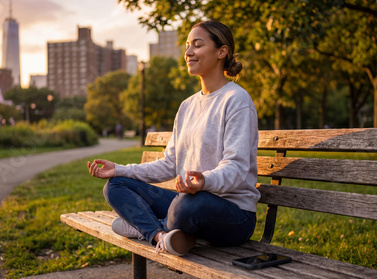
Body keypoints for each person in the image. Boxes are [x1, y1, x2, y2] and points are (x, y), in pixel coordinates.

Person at [87, 20, 260, 256]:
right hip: (189, 203)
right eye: (188, 46)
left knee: (186, 205)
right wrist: (118, 169)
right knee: (115, 186)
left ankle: (144, 225)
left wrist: (203, 181)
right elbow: (169, 163)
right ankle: (161, 235)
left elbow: (238, 168)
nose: (188, 53)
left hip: (233, 213)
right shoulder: (187, 106)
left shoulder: (236, 100)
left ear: (222, 51)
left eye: (197, 45)